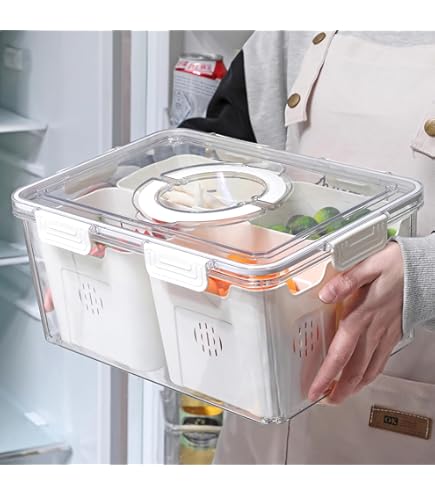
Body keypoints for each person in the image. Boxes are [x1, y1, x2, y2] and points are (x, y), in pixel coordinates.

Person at [180, 31, 435, 464]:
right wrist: (132, 211)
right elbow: (222, 153)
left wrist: (421, 277)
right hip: (259, 415)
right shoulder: (289, 31)